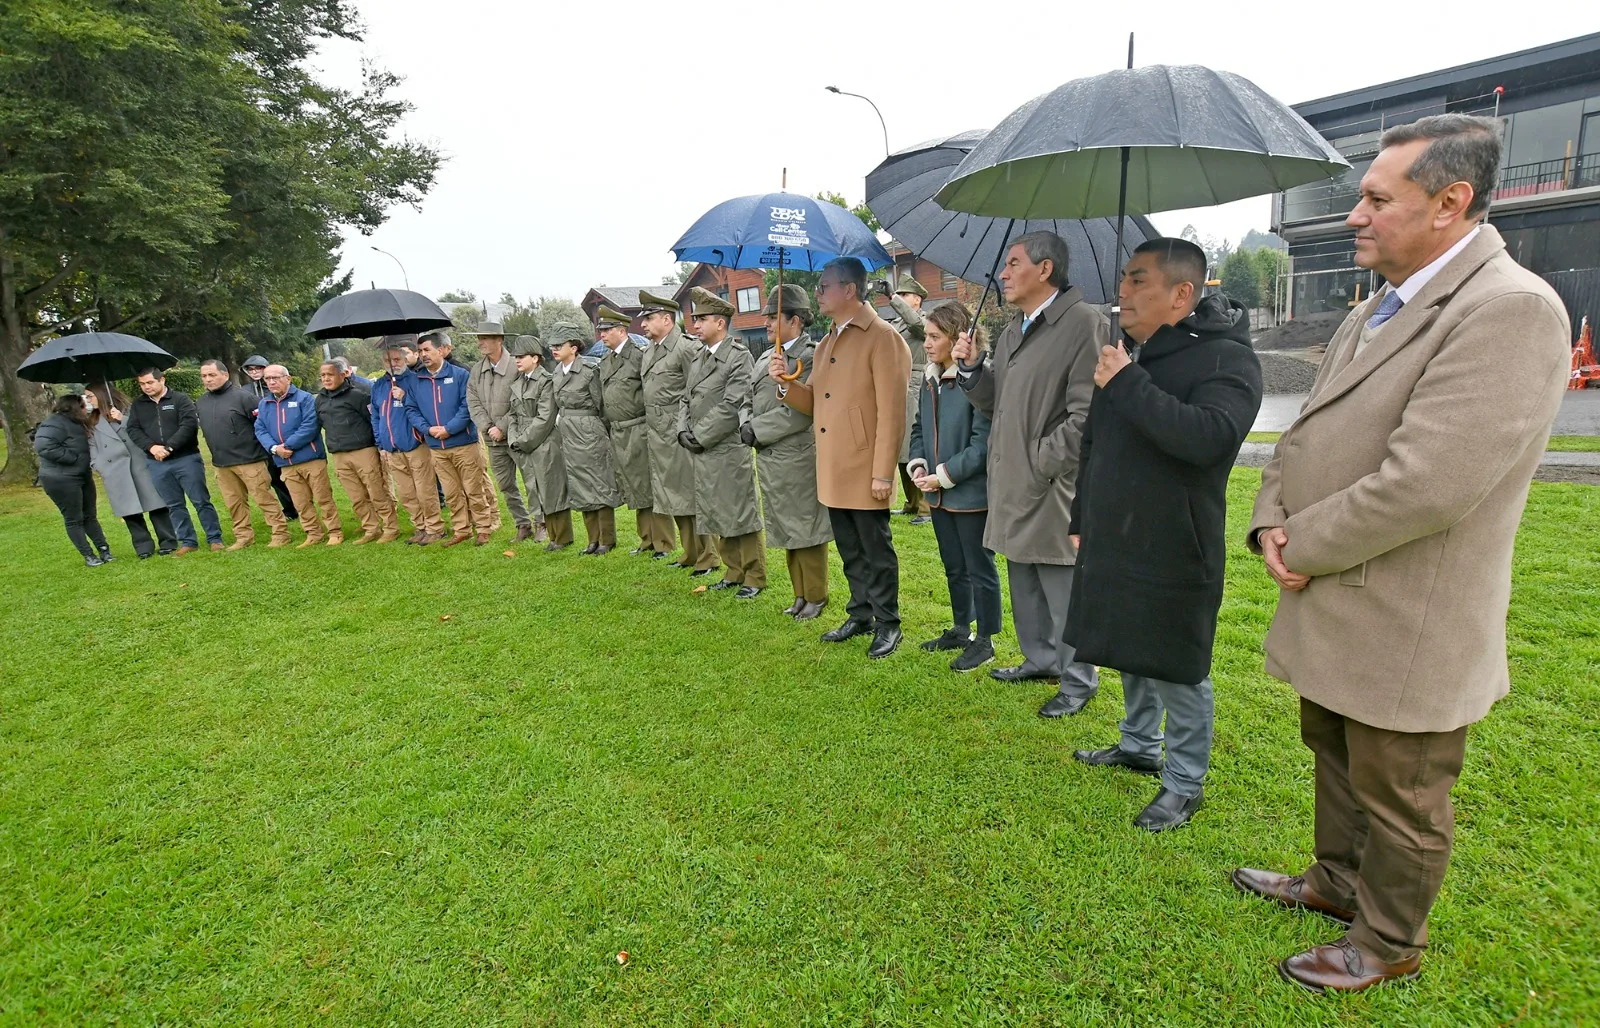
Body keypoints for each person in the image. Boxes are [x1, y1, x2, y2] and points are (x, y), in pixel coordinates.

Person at [1236, 114, 1571, 994]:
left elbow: (1429, 482)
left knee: (1402, 789)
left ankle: (1387, 941)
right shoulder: (1383, 302)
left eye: (1379, 198)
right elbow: (1308, 435)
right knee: (1337, 754)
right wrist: (1272, 518)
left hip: (1409, 610)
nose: (1356, 214)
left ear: (1451, 203)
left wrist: (1300, 540)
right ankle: (1337, 886)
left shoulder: (1509, 309)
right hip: (1341, 593)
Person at [1065, 238, 1264, 833]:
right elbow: (1096, 444)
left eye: (1138, 281)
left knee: (1175, 662)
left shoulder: (1227, 359)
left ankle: (1184, 782)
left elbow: (1208, 439)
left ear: (1183, 293)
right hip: (1116, 531)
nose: (1122, 292)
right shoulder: (1130, 355)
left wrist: (1126, 382)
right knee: (1128, 644)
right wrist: (1082, 515)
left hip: (1176, 539)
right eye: (1123, 279)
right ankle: (1138, 743)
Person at [951, 231, 1105, 716]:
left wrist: (1041, 460)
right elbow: (1001, 403)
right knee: (1024, 575)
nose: (1003, 273)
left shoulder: (1084, 324)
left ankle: (1078, 679)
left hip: (1053, 483)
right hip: (1014, 479)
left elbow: (1088, 416)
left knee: (1061, 584)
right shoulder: (1016, 329)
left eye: (1013, 263)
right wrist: (975, 370)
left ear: (1044, 270)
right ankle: (1040, 659)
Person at [770, 257, 910, 657]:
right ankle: (861, 612)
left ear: (849, 290)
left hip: (866, 469)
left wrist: (883, 473)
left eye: (824, 286)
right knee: (850, 549)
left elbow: (892, 413)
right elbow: (813, 401)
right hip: (834, 467)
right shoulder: (829, 339)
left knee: (875, 550)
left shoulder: (883, 337)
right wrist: (784, 384)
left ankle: (888, 622)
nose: (818, 293)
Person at [907, 302, 998, 673]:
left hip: (970, 494)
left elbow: (982, 444)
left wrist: (944, 474)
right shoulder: (931, 378)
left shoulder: (978, 379)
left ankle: (986, 640)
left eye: (934, 336)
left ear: (958, 336)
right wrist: (918, 464)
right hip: (938, 493)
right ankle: (961, 629)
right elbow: (918, 429)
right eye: (925, 336)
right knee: (953, 566)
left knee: (980, 568)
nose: (926, 343)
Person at [744, 284, 832, 619]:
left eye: (773, 317)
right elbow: (748, 397)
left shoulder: (810, 356)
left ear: (795, 320)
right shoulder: (768, 355)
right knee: (785, 526)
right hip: (770, 455)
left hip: (796, 454)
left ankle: (817, 595)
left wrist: (758, 430)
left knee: (805, 527)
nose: (765, 322)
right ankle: (799, 595)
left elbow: (801, 411)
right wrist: (745, 422)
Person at [681, 288, 766, 598]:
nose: (695, 325)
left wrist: (699, 435)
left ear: (720, 322)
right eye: (694, 319)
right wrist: (682, 430)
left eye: (701, 319)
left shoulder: (738, 356)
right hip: (704, 447)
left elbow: (734, 404)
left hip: (727, 446)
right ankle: (733, 570)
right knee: (715, 509)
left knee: (739, 510)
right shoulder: (699, 356)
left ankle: (754, 575)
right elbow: (685, 397)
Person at [638, 289, 718, 574]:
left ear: (667, 319)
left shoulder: (685, 347)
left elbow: (700, 389)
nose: (644, 324)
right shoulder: (649, 351)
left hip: (681, 433)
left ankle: (709, 557)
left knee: (693, 495)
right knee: (674, 496)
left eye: (649, 318)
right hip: (658, 436)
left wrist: (692, 428)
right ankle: (691, 553)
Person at [403, 333, 495, 547]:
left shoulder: (460, 375)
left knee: (474, 489)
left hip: (464, 443)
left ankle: (483, 528)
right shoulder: (417, 380)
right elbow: (411, 408)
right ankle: (461, 529)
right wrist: (428, 429)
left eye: (427, 350)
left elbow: (468, 406)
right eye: (420, 351)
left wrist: (449, 429)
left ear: (440, 350)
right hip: (436, 446)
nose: (423, 355)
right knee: (452, 493)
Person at [125, 367, 225, 555]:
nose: (146, 387)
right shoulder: (138, 405)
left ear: (161, 380)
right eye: (142, 384)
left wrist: (169, 447)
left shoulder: (180, 399)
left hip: (186, 458)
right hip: (157, 462)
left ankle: (214, 538)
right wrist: (151, 447)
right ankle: (188, 542)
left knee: (201, 500)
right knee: (174, 505)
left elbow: (188, 425)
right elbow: (133, 430)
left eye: (149, 382)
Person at [196, 359, 290, 549]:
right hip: (222, 463)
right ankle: (244, 536)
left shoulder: (244, 397)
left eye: (212, 375)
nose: (208, 379)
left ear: (225, 375)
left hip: (250, 460)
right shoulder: (201, 402)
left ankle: (280, 533)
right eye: (204, 376)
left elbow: (263, 426)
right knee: (234, 503)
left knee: (264, 498)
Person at [549, 321, 623, 553]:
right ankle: (592, 539)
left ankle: (607, 539)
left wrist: (599, 431)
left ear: (574, 347)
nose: (554, 348)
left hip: (590, 430)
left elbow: (602, 405)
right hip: (569, 433)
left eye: (560, 344)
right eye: (552, 345)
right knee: (580, 484)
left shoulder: (590, 371)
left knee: (599, 483)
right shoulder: (556, 373)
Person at [253, 364, 343, 547]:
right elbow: (260, 429)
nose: (271, 382)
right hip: (284, 462)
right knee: (300, 501)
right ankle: (313, 533)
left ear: (288, 379)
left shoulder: (305, 398)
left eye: (275, 378)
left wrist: (287, 445)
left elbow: (310, 425)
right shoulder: (264, 403)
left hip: (311, 458)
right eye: (268, 379)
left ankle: (335, 532)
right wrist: (274, 449)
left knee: (323, 497)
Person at [84, 381, 177, 558]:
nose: (88, 400)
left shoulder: (131, 410)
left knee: (157, 505)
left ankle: (168, 541)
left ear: (102, 394)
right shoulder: (92, 421)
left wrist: (122, 419)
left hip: (140, 464)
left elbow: (148, 431)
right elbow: (91, 447)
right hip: (115, 471)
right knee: (130, 512)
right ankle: (143, 547)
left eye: (90, 396)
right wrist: (99, 465)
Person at [595, 305, 659, 556]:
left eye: (608, 329)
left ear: (622, 331)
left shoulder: (639, 355)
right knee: (633, 485)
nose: (603, 334)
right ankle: (646, 539)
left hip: (639, 428)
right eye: (601, 330)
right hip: (618, 430)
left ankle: (659, 541)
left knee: (647, 485)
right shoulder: (606, 360)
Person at [372, 337, 447, 545]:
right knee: (406, 493)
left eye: (397, 359)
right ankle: (420, 527)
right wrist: (381, 442)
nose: (393, 363)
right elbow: (376, 416)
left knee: (425, 490)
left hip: (415, 445)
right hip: (392, 448)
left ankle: (435, 528)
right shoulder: (378, 385)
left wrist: (404, 396)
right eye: (388, 360)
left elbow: (425, 408)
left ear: (405, 359)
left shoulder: (415, 380)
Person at [467, 321, 537, 543]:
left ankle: (542, 522)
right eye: (479, 338)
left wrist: (503, 427)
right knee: (506, 485)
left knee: (532, 481)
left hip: (517, 436)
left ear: (499, 340)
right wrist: (489, 427)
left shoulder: (517, 367)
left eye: (485, 338)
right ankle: (523, 525)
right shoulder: (477, 371)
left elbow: (521, 401)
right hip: (493, 440)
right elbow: (473, 402)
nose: (481, 342)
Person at [315, 359, 398, 544]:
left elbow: (373, 420)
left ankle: (391, 527)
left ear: (342, 374)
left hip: (363, 450)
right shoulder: (320, 399)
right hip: (339, 454)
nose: (326, 379)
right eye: (323, 375)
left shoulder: (358, 394)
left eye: (330, 374)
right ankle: (371, 529)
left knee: (376, 491)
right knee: (356, 496)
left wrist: (378, 446)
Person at [506, 335, 574, 551]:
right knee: (534, 488)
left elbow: (545, 417)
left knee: (552, 488)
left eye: (521, 356)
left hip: (544, 442)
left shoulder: (545, 380)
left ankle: (561, 536)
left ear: (535, 358)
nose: (517, 360)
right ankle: (548, 532)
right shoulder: (517, 382)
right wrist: (514, 439)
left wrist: (523, 441)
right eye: (515, 356)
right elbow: (513, 415)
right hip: (524, 443)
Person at [877, 275, 932, 524]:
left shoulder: (924, 320)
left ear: (917, 300)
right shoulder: (898, 321)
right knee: (900, 445)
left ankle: (925, 507)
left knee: (914, 445)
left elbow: (917, 326)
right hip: (896, 385)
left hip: (914, 385)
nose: (898, 298)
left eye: (903, 295)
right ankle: (911, 503)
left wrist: (891, 298)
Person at [33, 393, 112, 566]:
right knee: (74, 518)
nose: (87, 409)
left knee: (90, 516)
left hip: (82, 476)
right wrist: (74, 459)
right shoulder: (52, 424)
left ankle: (104, 550)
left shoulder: (78, 423)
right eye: (85, 406)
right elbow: (44, 447)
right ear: (76, 408)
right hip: (60, 479)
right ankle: (89, 555)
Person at [240, 352, 298, 521]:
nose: (254, 372)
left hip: (282, 436)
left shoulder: (275, 388)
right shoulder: (245, 391)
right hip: (261, 439)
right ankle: (289, 509)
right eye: (250, 369)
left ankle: (300, 504)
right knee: (274, 477)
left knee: (290, 475)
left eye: (258, 368)